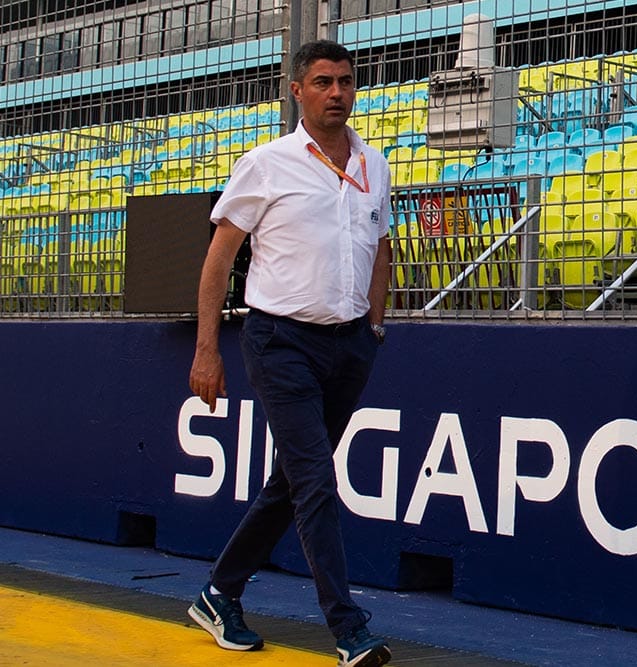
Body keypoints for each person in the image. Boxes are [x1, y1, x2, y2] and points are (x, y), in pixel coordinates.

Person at [186, 40, 392, 667]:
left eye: (347, 82)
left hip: (349, 343)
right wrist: (206, 351)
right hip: (280, 341)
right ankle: (347, 625)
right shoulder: (267, 164)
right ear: (297, 90)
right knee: (314, 479)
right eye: (324, 82)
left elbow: (381, 247)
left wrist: (375, 328)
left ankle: (219, 592)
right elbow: (220, 257)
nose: (337, 93)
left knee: (292, 481)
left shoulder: (374, 165)